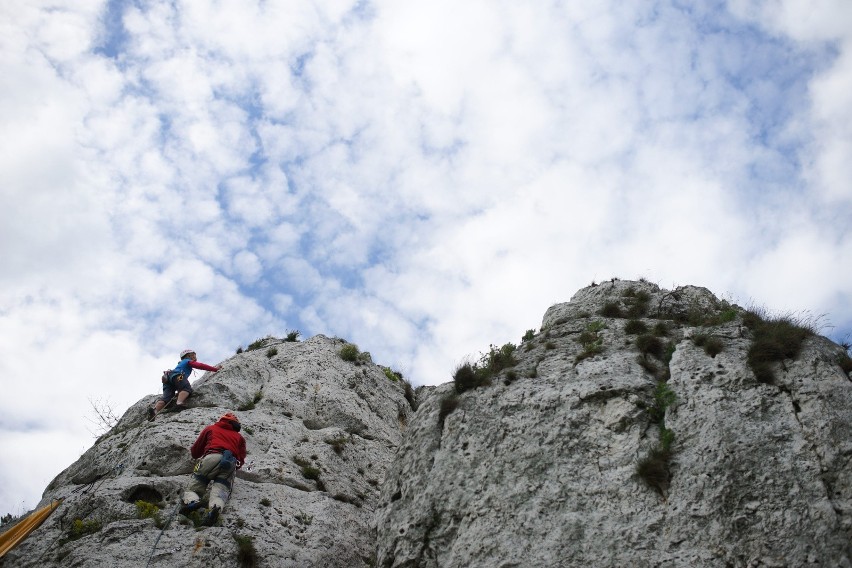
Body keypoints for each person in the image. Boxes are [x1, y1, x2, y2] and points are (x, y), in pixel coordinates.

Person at [180, 412, 247, 526]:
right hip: (230, 462)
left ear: (222, 420)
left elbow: (196, 451)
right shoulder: (239, 437)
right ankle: (215, 509)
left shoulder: (211, 428)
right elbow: (241, 458)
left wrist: (197, 455)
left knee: (195, 485)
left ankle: (192, 501)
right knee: (221, 490)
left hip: (212, 456)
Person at [147, 349, 219, 421]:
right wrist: (215, 369)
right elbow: (200, 365)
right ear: (188, 355)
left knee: (166, 399)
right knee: (186, 388)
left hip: (168, 379)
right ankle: (179, 403)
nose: (195, 357)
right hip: (177, 375)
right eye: (194, 355)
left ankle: (154, 411)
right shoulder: (187, 361)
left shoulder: (180, 363)